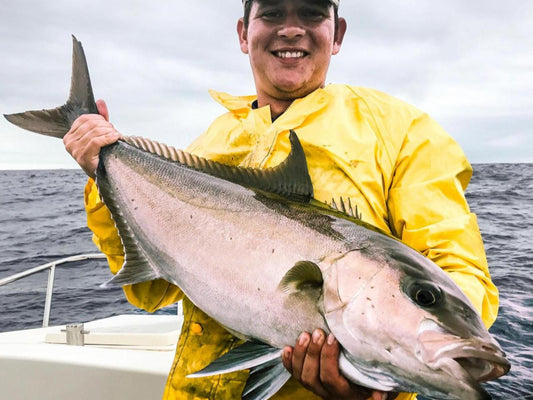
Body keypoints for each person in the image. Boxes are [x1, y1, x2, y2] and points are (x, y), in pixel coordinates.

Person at [63, 0, 500, 399]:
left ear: (338, 33)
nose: (291, 30)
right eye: (272, 13)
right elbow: (151, 290)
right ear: (242, 33)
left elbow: (458, 271)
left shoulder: (403, 132)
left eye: (311, 13)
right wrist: (103, 171)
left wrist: (379, 385)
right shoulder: (209, 145)